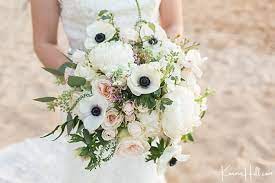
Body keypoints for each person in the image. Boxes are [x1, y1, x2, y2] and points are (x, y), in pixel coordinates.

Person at [0, 0, 183, 182]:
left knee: (142, 167)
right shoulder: (86, 89)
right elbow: (44, 43)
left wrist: (157, 71)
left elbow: (173, 25)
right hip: (87, 100)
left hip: (148, 96)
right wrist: (87, 81)